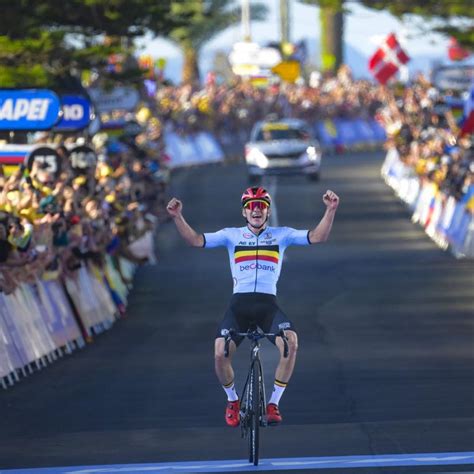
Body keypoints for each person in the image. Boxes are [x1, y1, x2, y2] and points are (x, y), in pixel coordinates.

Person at [166, 186, 339, 427]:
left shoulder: (282, 235)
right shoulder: (231, 235)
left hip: (268, 307)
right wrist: (177, 217)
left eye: (261, 206)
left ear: (268, 212)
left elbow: (318, 236)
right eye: (251, 207)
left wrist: (330, 210)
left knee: (291, 343)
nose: (256, 210)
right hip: (239, 306)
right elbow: (195, 240)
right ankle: (232, 401)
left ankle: (273, 403)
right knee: (219, 353)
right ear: (244, 213)